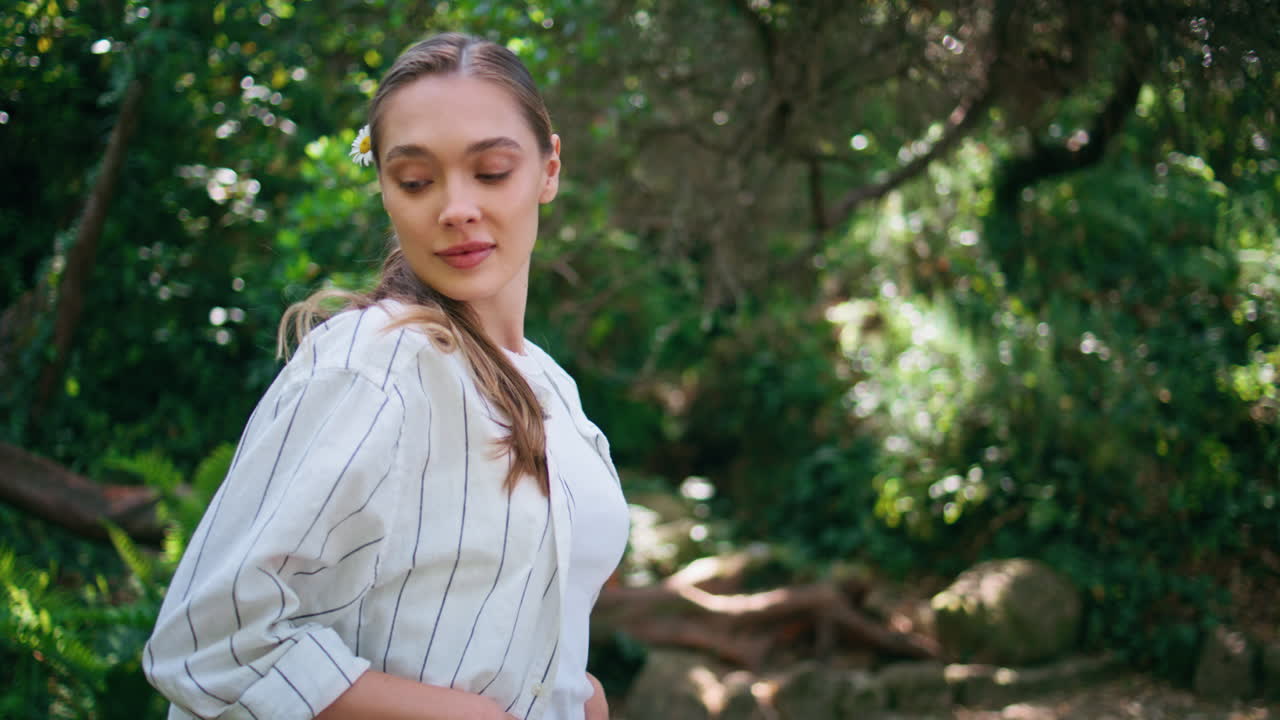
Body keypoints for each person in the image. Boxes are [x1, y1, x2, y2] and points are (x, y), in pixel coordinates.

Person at [143, 32, 630, 720]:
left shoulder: (552, 388)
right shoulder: (374, 365)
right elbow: (212, 645)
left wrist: (576, 696)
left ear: (549, 169)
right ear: (384, 190)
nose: (455, 207)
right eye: (416, 181)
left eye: (491, 171)